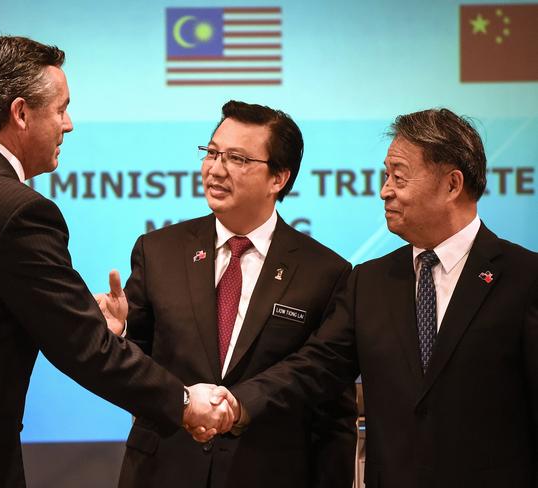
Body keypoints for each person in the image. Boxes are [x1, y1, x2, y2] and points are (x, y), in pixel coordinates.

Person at [0, 36, 233, 488]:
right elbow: (82, 347)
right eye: (60, 109)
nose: (68, 124)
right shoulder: (15, 209)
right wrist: (184, 401)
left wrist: (78, 317)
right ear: (21, 113)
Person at [229, 108, 538, 487]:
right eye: (385, 174)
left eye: (399, 176)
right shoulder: (369, 282)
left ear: (452, 185)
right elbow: (316, 367)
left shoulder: (525, 279)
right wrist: (238, 403)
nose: (384, 190)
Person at [100, 100, 357, 488]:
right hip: (163, 472)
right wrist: (116, 335)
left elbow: (329, 403)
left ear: (279, 177)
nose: (215, 170)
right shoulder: (158, 251)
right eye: (212, 153)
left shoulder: (325, 272)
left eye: (237, 159)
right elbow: (134, 369)